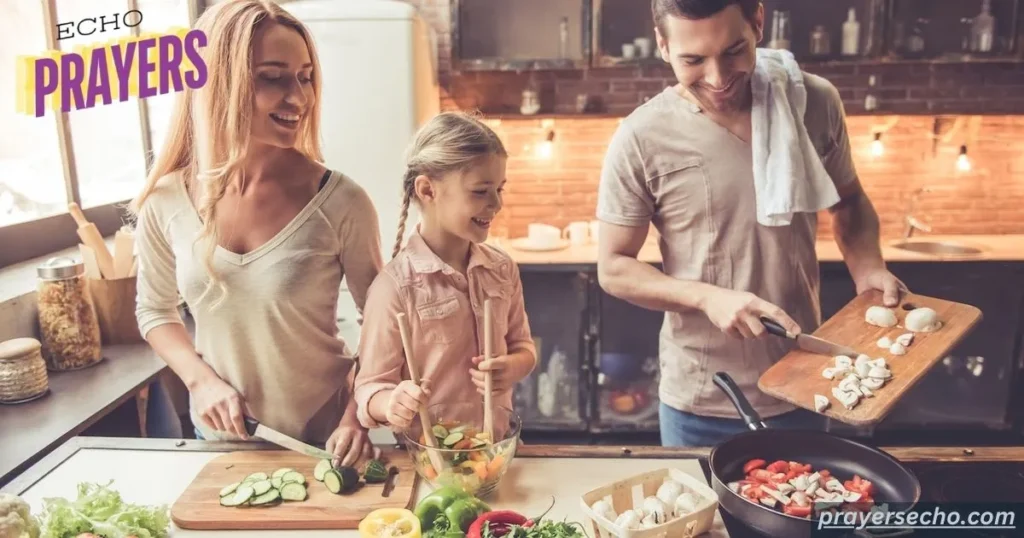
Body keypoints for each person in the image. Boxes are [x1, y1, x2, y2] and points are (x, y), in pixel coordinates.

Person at [596, 0, 905, 447]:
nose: (718, 78)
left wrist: (868, 268)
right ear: (663, 45)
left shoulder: (812, 102)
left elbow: (850, 202)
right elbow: (614, 267)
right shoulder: (641, 136)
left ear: (759, 22)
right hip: (701, 396)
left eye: (733, 50)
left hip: (805, 382)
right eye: (693, 60)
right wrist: (706, 298)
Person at [131, 0, 383, 466]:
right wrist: (201, 381)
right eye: (273, 77)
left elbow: (383, 325)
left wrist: (356, 417)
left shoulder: (342, 201)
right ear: (219, 83)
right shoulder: (165, 200)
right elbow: (154, 310)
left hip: (327, 439)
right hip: (222, 438)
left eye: (305, 76)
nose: (300, 97)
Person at [354, 112, 536, 436]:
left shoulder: (502, 270)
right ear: (427, 190)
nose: (496, 203)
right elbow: (369, 390)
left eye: (499, 189)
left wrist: (512, 367)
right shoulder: (393, 289)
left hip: (495, 450)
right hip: (429, 463)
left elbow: (524, 347)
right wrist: (391, 402)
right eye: (480, 191)